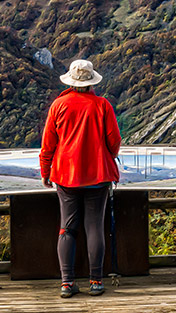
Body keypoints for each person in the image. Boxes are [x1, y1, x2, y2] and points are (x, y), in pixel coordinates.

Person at [39, 59, 121, 298]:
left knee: (67, 228)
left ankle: (67, 283)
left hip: (65, 176)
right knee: (94, 226)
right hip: (98, 174)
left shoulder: (58, 105)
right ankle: (96, 281)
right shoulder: (102, 105)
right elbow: (114, 140)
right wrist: (108, 156)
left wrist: (46, 172)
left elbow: (48, 145)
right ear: (91, 81)